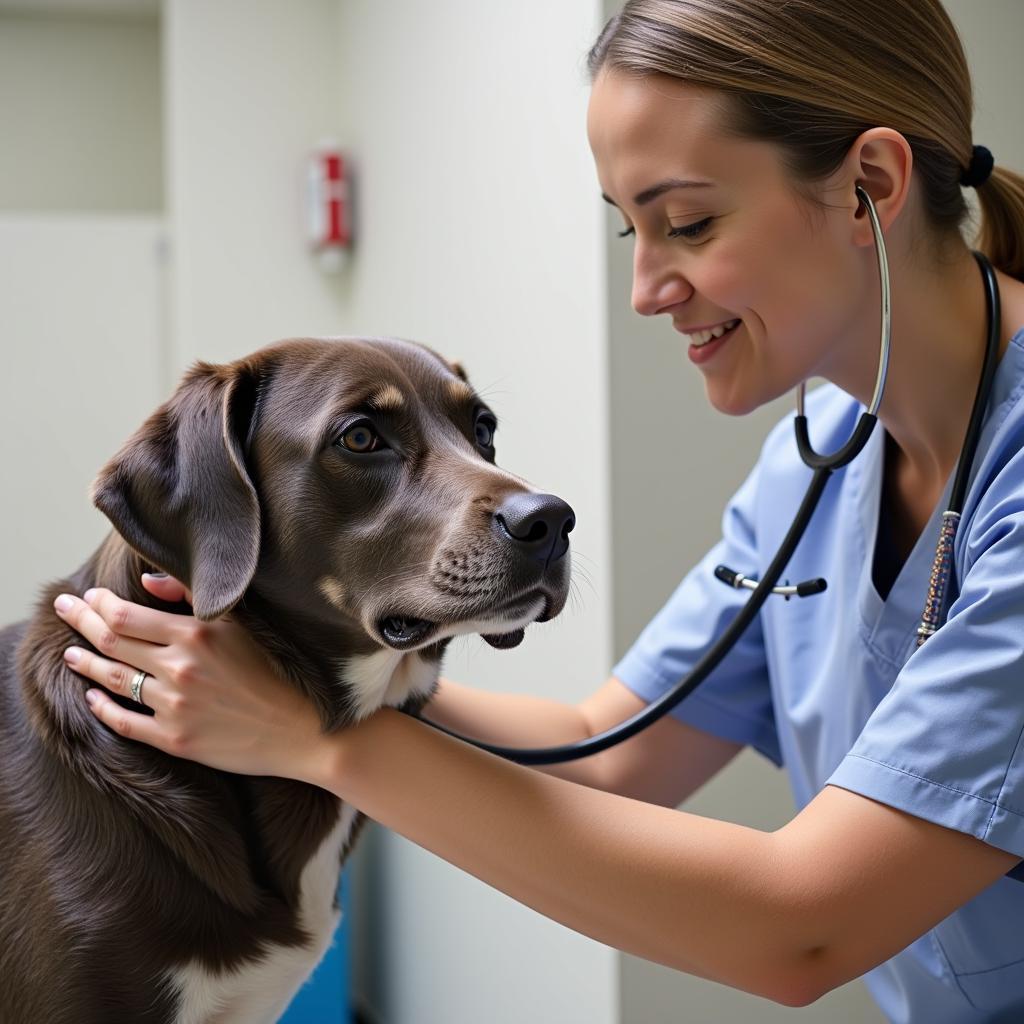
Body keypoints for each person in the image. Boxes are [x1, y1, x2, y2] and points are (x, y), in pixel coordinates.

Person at [50, 0, 1024, 1019]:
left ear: (868, 184)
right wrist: (306, 670)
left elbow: (802, 926)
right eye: (629, 227)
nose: (645, 286)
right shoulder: (819, 460)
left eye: (687, 221)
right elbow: (605, 752)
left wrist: (317, 740)